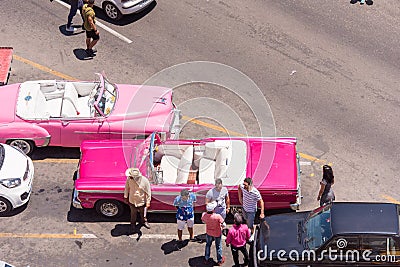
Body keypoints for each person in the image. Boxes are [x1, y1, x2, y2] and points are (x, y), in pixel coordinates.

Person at [238, 177, 264, 241]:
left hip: (251, 211)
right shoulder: (243, 187)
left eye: (245, 185)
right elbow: (239, 187)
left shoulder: (255, 192)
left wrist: (262, 213)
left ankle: (252, 233)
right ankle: (249, 230)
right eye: (243, 184)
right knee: (246, 220)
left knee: (250, 224)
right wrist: (240, 198)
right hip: (244, 208)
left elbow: (261, 201)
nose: (244, 186)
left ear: (250, 185)